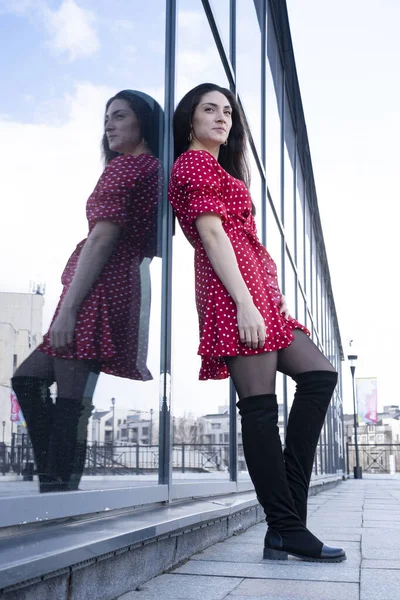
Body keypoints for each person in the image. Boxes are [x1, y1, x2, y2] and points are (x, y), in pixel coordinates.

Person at [168, 82, 346, 562]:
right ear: (190, 119)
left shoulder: (218, 167)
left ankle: (288, 519)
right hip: (236, 296)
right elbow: (210, 233)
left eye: (227, 111)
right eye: (210, 109)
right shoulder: (193, 163)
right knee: (261, 410)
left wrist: (266, 298)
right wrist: (245, 303)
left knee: (321, 374)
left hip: (258, 296)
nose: (222, 118)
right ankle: (285, 525)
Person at [11, 90, 163, 493]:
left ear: (143, 122)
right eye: (106, 119)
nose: (109, 125)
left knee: (69, 398)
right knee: (31, 379)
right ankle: (53, 478)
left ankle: (57, 489)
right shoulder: (153, 170)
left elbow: (100, 240)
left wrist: (69, 310)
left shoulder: (125, 169)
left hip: (97, 286)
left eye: (119, 116)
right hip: (117, 283)